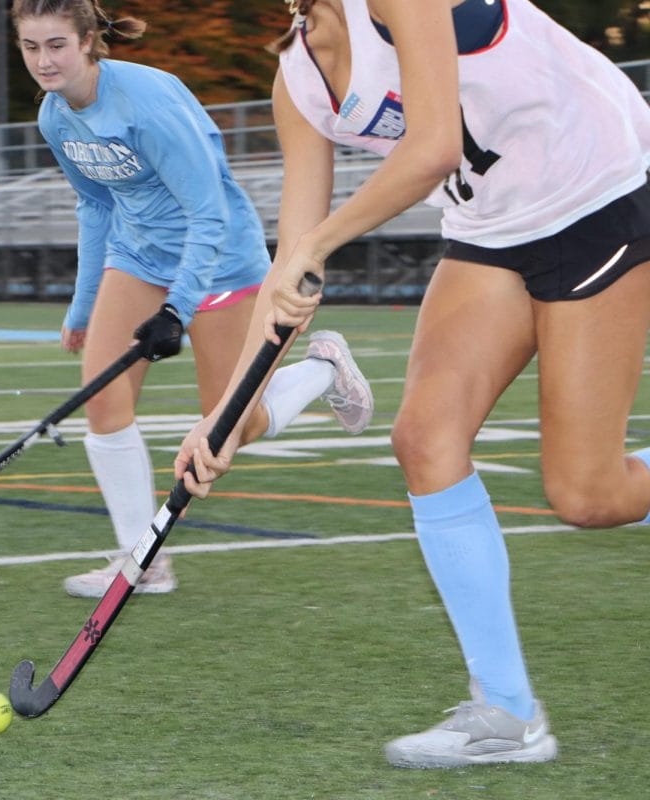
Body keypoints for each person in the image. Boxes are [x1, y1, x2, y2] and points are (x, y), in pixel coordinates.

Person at [177, 0, 650, 769]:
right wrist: (230, 412)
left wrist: (322, 245)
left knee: (588, 495)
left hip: (591, 191)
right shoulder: (296, 78)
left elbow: (430, 149)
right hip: (492, 227)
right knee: (425, 438)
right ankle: (508, 714)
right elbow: (289, 261)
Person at [12, 0, 375, 599]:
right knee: (103, 403)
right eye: (31, 48)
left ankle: (323, 367)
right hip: (138, 256)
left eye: (56, 45)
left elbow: (207, 213)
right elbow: (97, 205)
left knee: (233, 423)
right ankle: (143, 560)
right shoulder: (56, 118)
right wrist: (82, 307)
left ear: (86, 43)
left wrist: (177, 309)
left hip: (219, 260)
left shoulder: (146, 105)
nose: (44, 61)